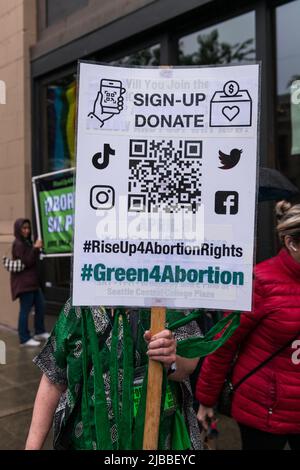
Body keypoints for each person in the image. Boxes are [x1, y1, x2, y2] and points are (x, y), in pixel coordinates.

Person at [196, 200, 300, 450]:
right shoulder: (261, 282)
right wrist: (207, 401)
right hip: (264, 411)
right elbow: (224, 344)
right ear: (292, 243)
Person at [25, 303, 202, 450]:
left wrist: (169, 360)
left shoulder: (163, 300)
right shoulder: (79, 305)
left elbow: (189, 364)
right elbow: (53, 379)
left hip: (155, 437)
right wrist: (32, 446)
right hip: (86, 439)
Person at [10, 218, 50, 347]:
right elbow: (27, 261)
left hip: (32, 282)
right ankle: (24, 338)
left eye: (28, 228)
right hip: (24, 284)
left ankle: (39, 331)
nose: (27, 230)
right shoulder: (18, 244)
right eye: (24, 228)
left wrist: (36, 248)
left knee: (40, 306)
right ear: (18, 230)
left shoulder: (26, 242)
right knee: (25, 311)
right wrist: (35, 248)